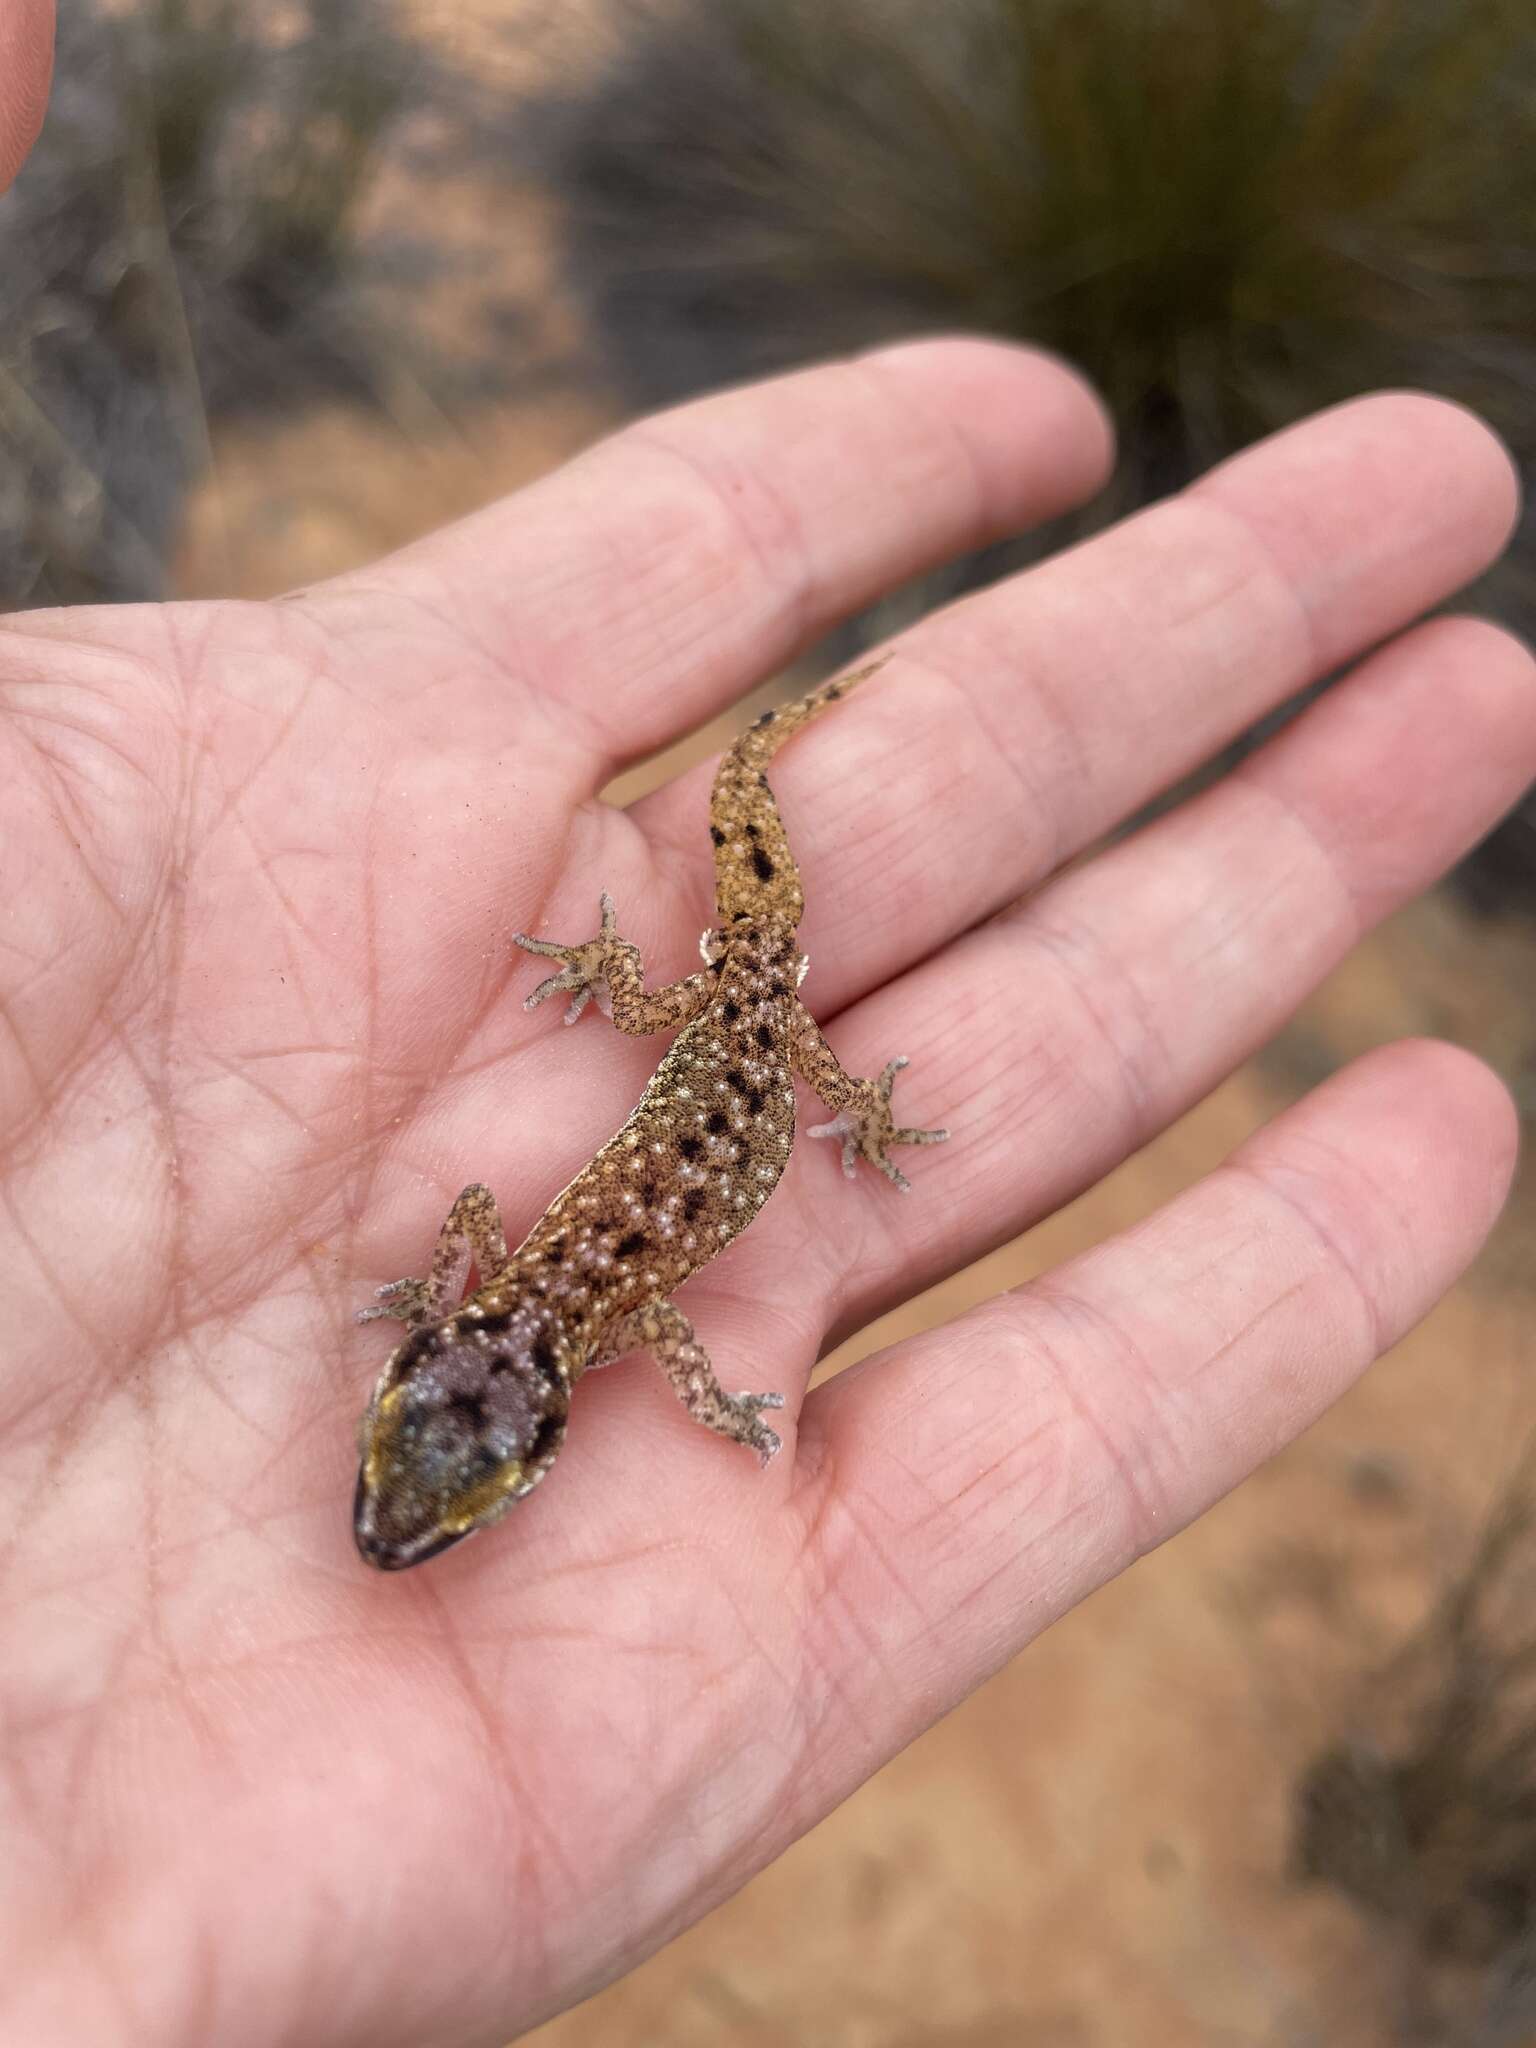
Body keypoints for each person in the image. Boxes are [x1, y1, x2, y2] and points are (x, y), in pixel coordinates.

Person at [2, 12, 1532, 2041]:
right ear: (498, 1394)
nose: (409, 1498)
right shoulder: (556, 1292)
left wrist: (760, 1215)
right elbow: (523, 1234)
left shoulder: (569, 1299)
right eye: (441, 1469)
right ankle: (775, 784)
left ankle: (782, 764)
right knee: (732, 1054)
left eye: (422, 1468)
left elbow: (557, 1223)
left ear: (495, 1393)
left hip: (738, 1032)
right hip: (714, 1040)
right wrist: (683, 1311)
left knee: (750, 1039)